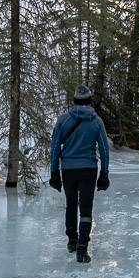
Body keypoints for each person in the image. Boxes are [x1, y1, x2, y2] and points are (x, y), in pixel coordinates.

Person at [49, 84, 110, 263]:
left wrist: (54, 172)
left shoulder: (62, 120)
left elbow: (54, 148)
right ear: (90, 101)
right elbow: (105, 150)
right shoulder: (97, 121)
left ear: (74, 101)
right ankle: (82, 248)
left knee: (70, 204)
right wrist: (104, 174)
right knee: (85, 208)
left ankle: (72, 240)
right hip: (89, 169)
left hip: (68, 169)